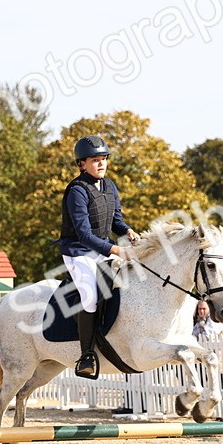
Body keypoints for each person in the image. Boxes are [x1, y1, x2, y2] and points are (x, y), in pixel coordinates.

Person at [54, 134, 139, 378]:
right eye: (95, 160)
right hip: (78, 252)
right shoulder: (77, 191)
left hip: (103, 249)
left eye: (104, 159)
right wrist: (116, 250)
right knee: (90, 295)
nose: (101, 164)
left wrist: (127, 231)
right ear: (82, 164)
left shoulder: (110, 186)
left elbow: (116, 220)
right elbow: (83, 234)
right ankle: (86, 356)